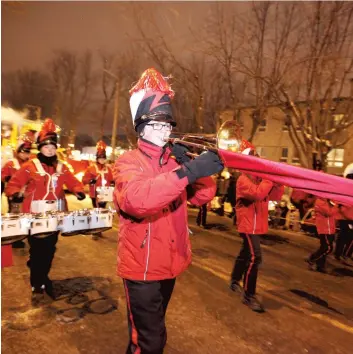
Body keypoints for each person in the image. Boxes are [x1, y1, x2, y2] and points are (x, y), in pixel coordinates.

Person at [113, 68, 223, 354]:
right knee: (150, 342)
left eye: (168, 125)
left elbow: (203, 196)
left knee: (149, 333)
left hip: (168, 265)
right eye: (158, 124)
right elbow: (137, 200)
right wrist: (187, 172)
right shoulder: (128, 162)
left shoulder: (174, 162)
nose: (166, 131)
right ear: (142, 127)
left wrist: (194, 167)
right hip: (141, 269)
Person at [6, 118, 86, 304]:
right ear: (40, 148)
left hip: (56, 217)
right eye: (46, 147)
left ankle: (41, 274)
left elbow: (73, 181)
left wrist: (79, 191)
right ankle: (37, 285)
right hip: (34, 217)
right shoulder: (30, 166)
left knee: (49, 250)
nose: (50, 150)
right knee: (38, 250)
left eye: (52, 147)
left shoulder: (61, 167)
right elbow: (14, 183)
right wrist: (15, 194)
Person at [230, 142, 283, 313]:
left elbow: (275, 196)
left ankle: (234, 280)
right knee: (255, 257)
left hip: (256, 224)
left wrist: (278, 182)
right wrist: (269, 178)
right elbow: (258, 194)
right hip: (247, 225)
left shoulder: (260, 179)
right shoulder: (242, 180)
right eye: (253, 157)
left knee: (245, 253)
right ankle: (248, 295)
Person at [1, 131, 34, 248]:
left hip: (26, 195)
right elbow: (3, 174)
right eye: (24, 152)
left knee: (24, 215)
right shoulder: (11, 163)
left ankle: (21, 235)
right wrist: (7, 177)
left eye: (28, 152)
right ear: (18, 151)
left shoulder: (31, 164)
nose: (26, 155)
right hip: (14, 195)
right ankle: (14, 238)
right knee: (14, 215)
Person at [83, 140, 114, 240]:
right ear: (97, 158)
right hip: (95, 194)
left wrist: (114, 182)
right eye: (100, 158)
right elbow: (84, 179)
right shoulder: (91, 168)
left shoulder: (108, 169)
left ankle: (99, 229)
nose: (102, 160)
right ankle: (95, 231)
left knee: (102, 211)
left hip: (105, 194)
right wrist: (90, 181)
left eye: (103, 158)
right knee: (96, 211)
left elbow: (113, 178)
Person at [306, 198, 336, 273]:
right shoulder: (320, 201)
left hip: (329, 228)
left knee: (324, 247)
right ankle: (312, 258)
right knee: (328, 248)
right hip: (324, 228)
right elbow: (329, 213)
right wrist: (337, 206)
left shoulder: (328, 201)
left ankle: (320, 265)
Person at [335, 164, 353, 261]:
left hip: (348, 217)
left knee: (347, 236)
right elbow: (340, 205)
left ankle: (343, 254)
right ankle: (339, 254)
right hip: (344, 217)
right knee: (344, 236)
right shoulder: (345, 189)